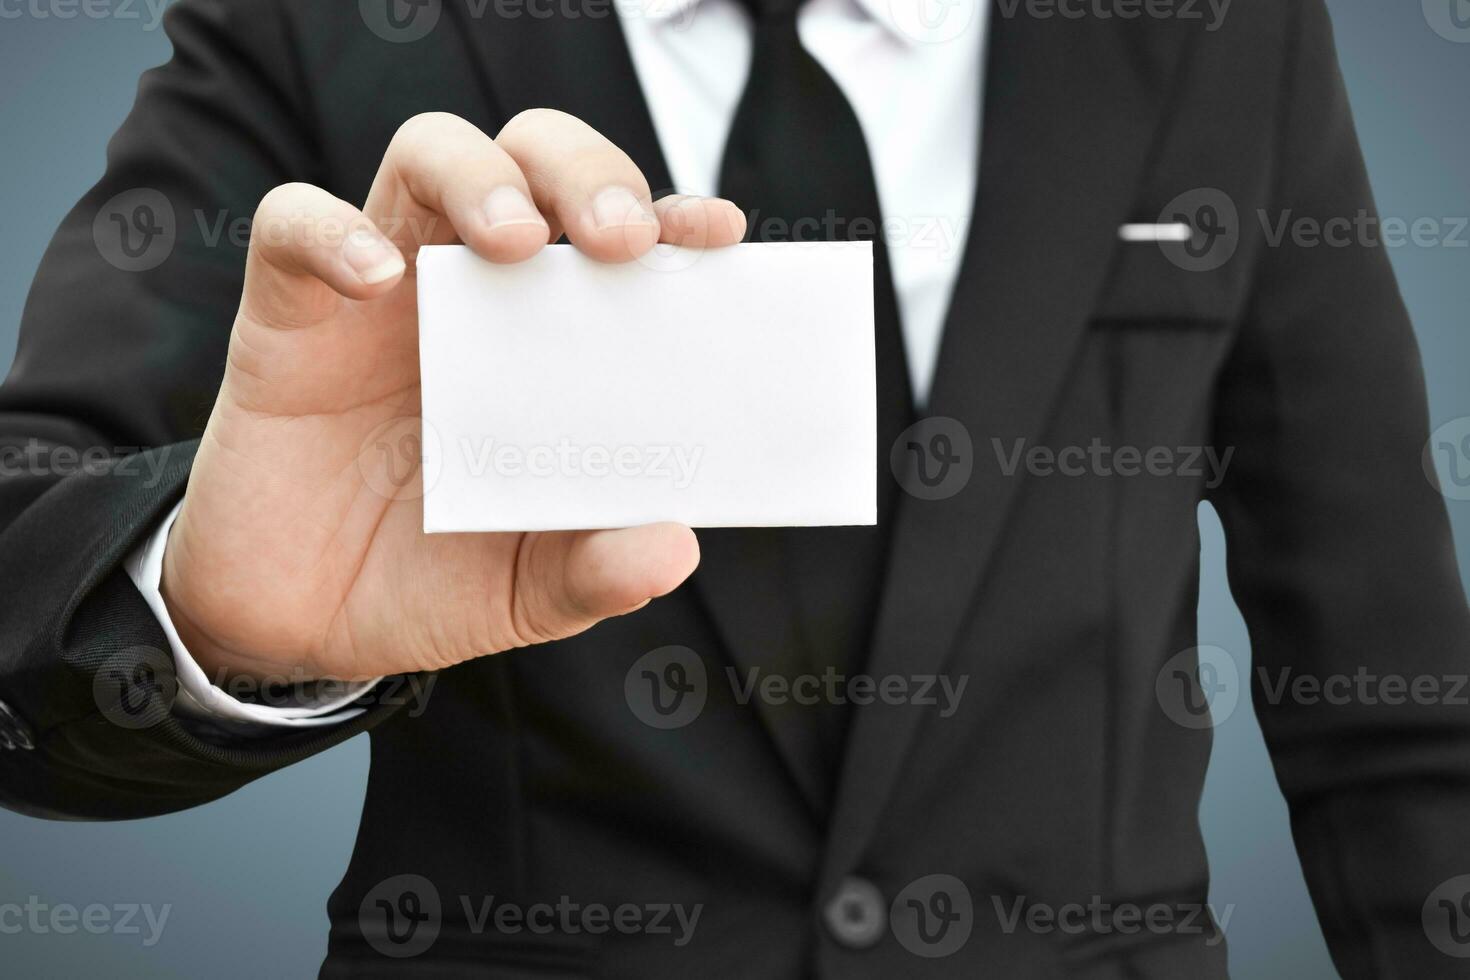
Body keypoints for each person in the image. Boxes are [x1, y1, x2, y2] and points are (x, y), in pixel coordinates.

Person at [1, 0, 1466, 976]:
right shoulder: (321, 27)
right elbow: (25, 542)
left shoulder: (1220, 33)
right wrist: (202, 610)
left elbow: (1389, 689)